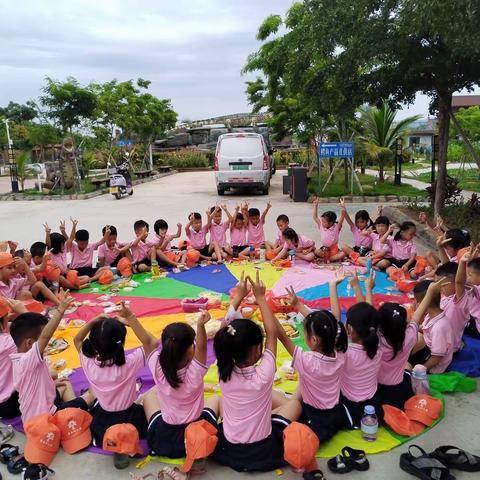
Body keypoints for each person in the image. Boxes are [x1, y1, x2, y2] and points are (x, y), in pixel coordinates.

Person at [213, 272, 301, 472]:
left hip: (229, 447)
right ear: (255, 350)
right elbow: (273, 332)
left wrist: (239, 296)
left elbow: (223, 330)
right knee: (294, 404)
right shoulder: (264, 374)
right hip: (262, 450)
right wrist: (261, 299)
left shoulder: (223, 370)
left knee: (264, 399)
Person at [126, 307, 218, 460]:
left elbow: (147, 341)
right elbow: (202, 347)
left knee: (149, 398)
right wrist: (201, 325)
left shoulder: (157, 367)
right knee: (216, 400)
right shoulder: (195, 372)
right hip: (195, 436)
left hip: (165, 439)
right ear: (190, 350)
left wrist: (130, 316)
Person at [276, 285, 348, 442]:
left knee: (272, 396)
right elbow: (332, 322)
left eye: (305, 333)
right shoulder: (339, 352)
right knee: (299, 388)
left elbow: (282, 336)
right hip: (333, 415)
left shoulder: (308, 361)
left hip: (313, 419)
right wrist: (297, 304)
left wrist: (264, 305)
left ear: (313, 340)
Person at [9, 294, 95, 423]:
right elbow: (45, 336)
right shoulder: (28, 359)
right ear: (29, 343)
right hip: (47, 419)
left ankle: (73, 412)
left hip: (38, 411)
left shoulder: (18, 359)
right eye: (42, 342)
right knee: (92, 393)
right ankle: (73, 415)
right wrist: (60, 310)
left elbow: (37, 382)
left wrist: (50, 384)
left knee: (64, 383)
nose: (47, 344)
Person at [73, 308, 148, 447]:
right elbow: (151, 343)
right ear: (122, 343)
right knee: (152, 394)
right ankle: (123, 441)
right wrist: (131, 319)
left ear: (94, 345)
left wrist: (93, 321)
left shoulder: (88, 362)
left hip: (103, 420)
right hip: (130, 418)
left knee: (91, 393)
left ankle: (116, 441)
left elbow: (77, 339)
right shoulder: (130, 363)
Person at [330, 272, 382, 427]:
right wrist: (360, 288)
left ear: (349, 328)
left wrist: (332, 286)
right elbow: (368, 316)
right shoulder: (377, 347)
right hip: (373, 403)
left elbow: (335, 319)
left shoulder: (344, 351)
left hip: (348, 404)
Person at [408, 278, 454, 373]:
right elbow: (423, 329)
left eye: (415, 301)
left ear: (421, 303)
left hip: (433, 364)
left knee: (415, 337)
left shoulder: (440, 326)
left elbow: (437, 357)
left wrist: (421, 370)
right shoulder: (431, 315)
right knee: (411, 331)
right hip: (427, 349)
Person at [376, 303, 417, 409]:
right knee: (408, 366)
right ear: (404, 325)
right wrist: (430, 293)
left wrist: (367, 289)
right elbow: (417, 317)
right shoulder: (410, 337)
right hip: (399, 394)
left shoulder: (374, 343)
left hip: (376, 391)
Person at [0, 299, 27, 418]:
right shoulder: (10, 343)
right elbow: (40, 334)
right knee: (59, 382)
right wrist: (24, 313)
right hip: (10, 403)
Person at [45, 222, 91, 290]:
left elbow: (71, 238)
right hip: (57, 279)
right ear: (56, 246)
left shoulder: (63, 250)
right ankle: (77, 287)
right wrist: (47, 233)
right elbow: (48, 244)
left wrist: (74, 226)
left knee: (86, 278)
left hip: (66, 275)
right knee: (61, 279)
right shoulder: (51, 253)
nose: (64, 245)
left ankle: (71, 286)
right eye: (62, 244)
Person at [457, 245, 480, 336]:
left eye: (470, 275)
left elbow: (460, 281)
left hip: (474, 324)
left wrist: (463, 263)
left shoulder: (477, 288)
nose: (468, 277)